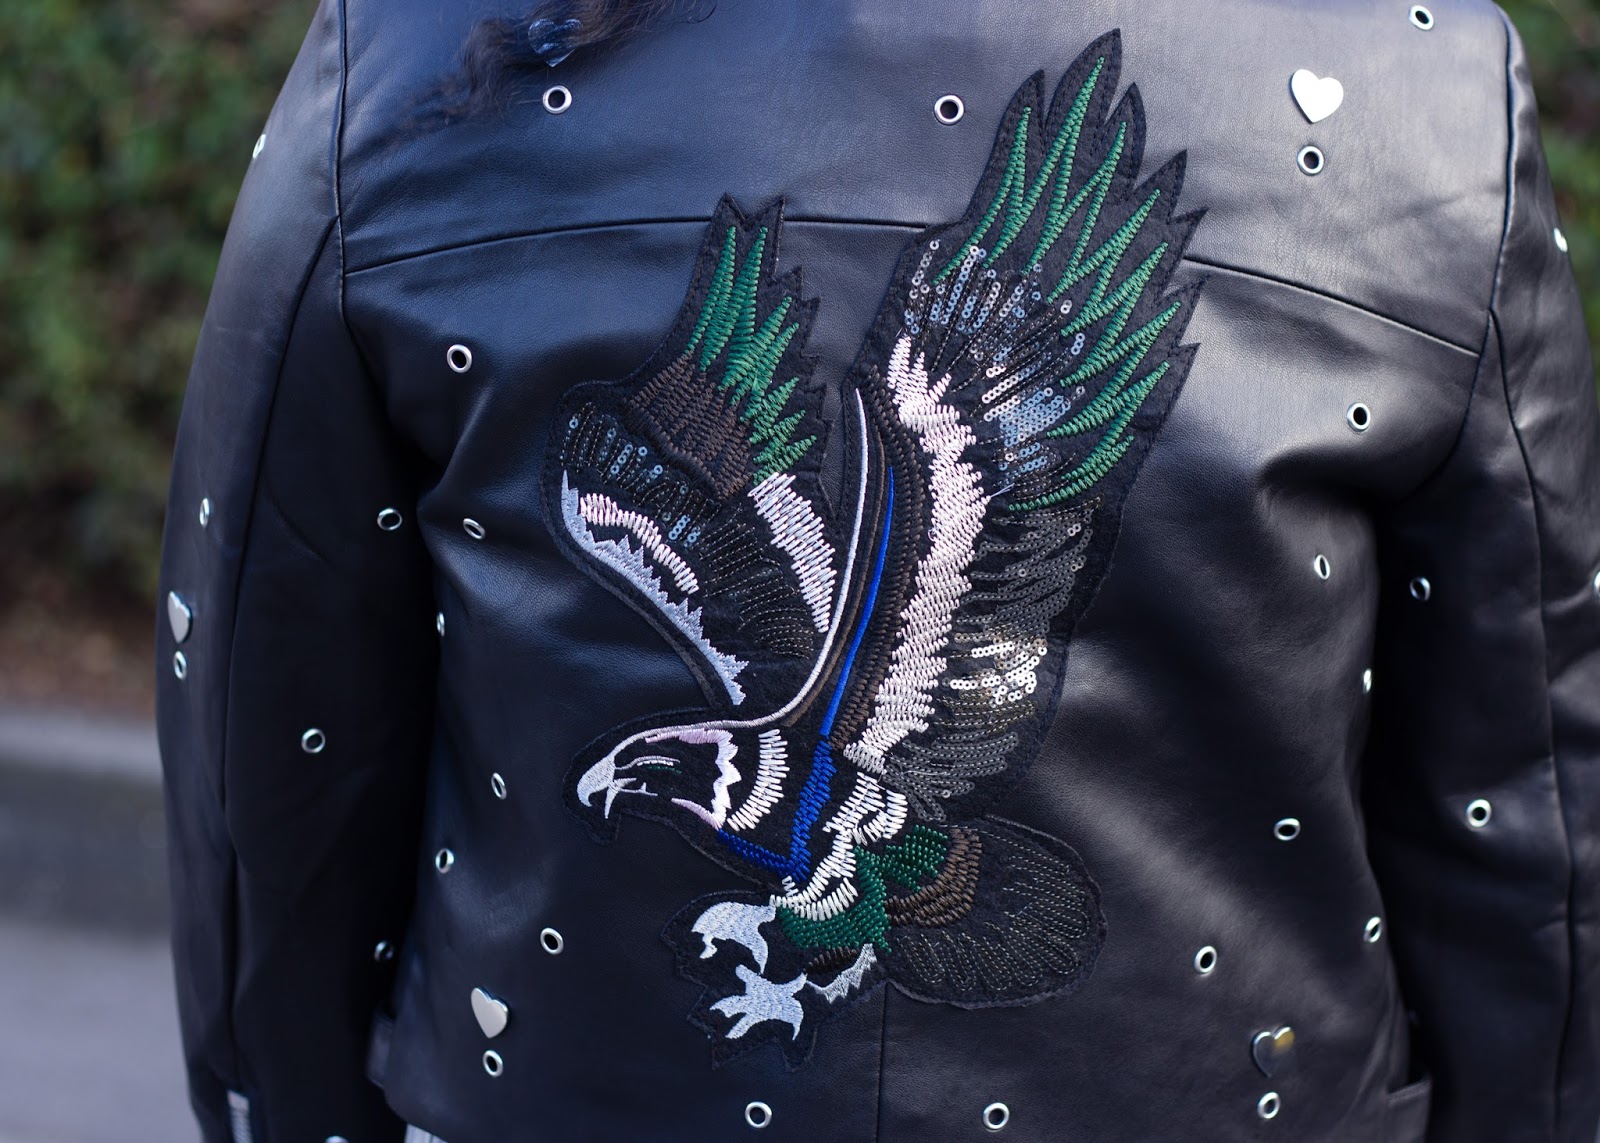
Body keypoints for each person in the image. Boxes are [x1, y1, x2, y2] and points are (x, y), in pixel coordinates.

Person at [155, 0, 1600, 1140]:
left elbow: (264, 759)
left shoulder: (405, 61)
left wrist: (298, 1109)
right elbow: (1530, 806)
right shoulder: (1416, 83)